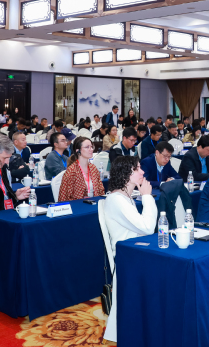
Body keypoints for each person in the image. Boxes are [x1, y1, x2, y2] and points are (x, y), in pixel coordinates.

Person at [102, 155, 156, 343]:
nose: (142, 171)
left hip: (135, 252)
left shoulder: (125, 197)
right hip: (128, 258)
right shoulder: (116, 200)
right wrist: (147, 196)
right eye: (137, 168)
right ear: (126, 173)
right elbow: (148, 228)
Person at [58, 137, 105, 201]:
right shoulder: (71, 171)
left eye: (92, 147)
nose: (91, 149)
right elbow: (64, 197)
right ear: (78, 151)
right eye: (87, 147)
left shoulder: (93, 168)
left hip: (95, 203)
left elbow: (101, 191)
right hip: (77, 205)